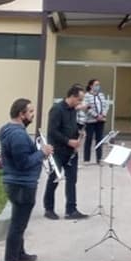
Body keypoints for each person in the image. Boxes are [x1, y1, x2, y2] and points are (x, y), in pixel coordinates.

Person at [0, 98, 53, 261]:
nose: (32, 115)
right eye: (30, 112)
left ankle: (19, 253)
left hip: (18, 183)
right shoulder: (18, 135)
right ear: (21, 114)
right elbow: (23, 163)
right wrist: (42, 153)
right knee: (18, 225)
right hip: (22, 184)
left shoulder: (11, 130)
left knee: (18, 221)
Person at [43, 85, 88, 220]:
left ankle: (71, 209)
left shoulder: (73, 110)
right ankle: (49, 209)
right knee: (54, 179)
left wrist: (79, 132)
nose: (80, 103)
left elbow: (71, 126)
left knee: (72, 180)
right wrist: (68, 141)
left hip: (71, 152)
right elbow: (52, 131)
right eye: (79, 100)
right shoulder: (57, 109)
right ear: (72, 97)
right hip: (57, 150)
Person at [83, 79, 109, 163]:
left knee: (99, 139)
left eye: (99, 85)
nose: (98, 86)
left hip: (101, 121)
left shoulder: (101, 95)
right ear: (91, 86)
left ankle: (99, 159)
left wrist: (103, 115)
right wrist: (96, 115)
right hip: (90, 121)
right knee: (89, 139)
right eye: (96, 85)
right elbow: (87, 107)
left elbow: (105, 105)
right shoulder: (86, 95)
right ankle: (86, 159)